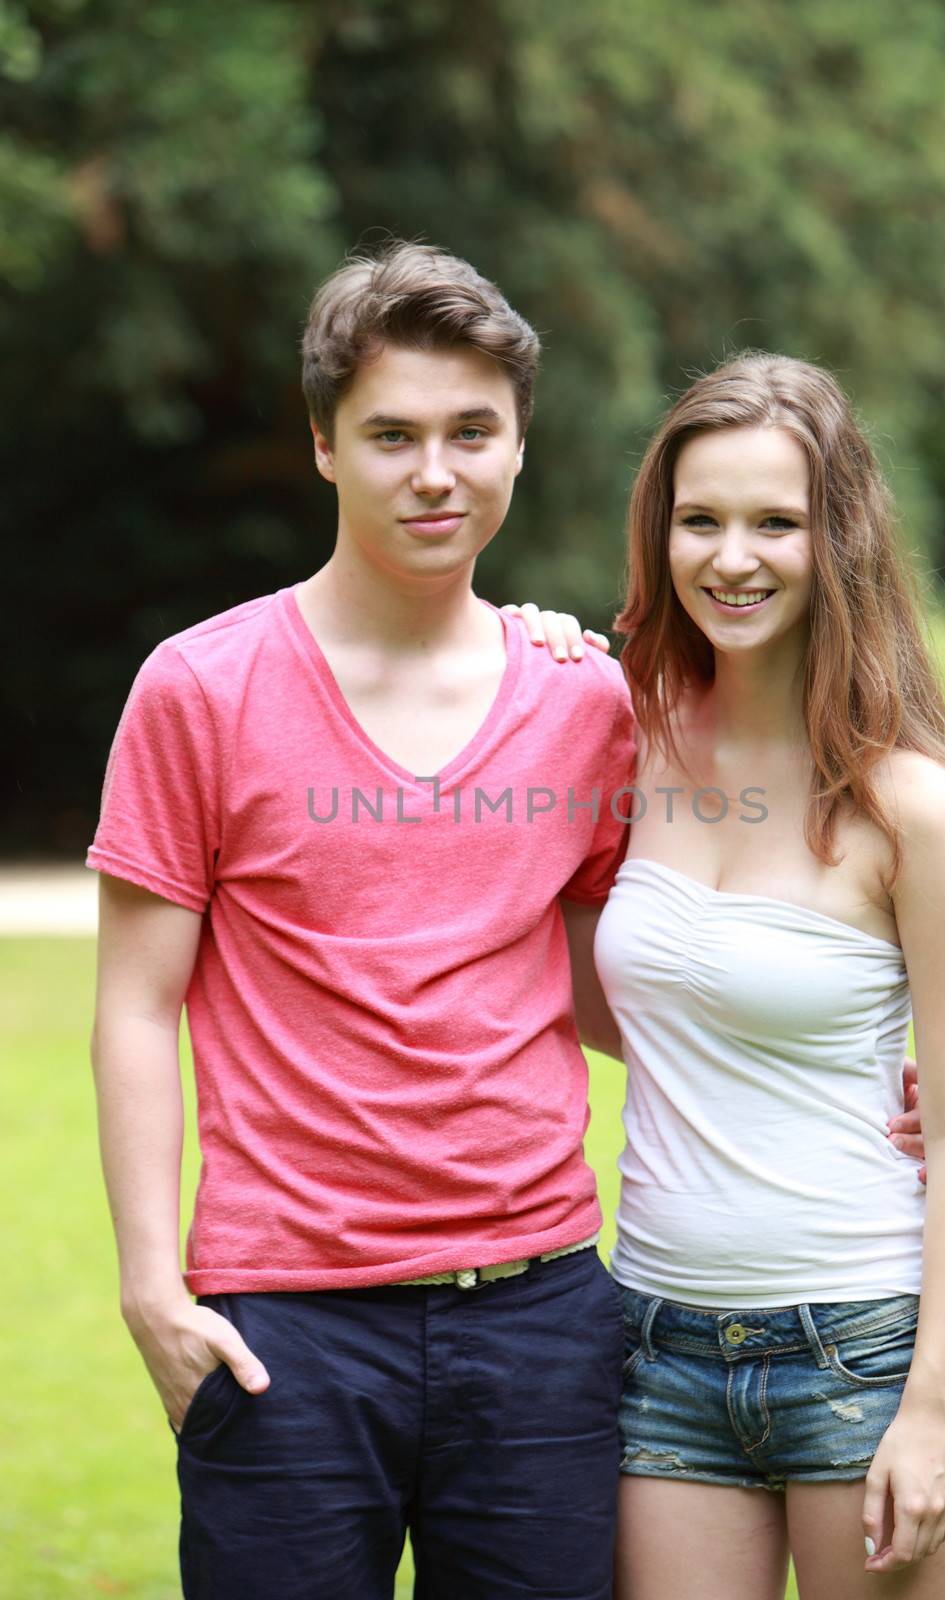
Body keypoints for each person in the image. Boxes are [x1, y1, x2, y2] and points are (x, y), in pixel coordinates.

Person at [86, 241, 639, 1600]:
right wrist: (155, 1289)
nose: (434, 473)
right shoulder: (199, 689)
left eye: (470, 433)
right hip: (283, 1327)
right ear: (324, 445)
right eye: (391, 435)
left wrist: (845, 1082)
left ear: (519, 446)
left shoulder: (584, 700)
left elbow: (609, 981)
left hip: (541, 1318)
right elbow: (135, 1004)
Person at [511, 352, 945, 1600]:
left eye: (773, 521)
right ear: (660, 532)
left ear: (834, 538)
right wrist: (520, 654)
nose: (730, 556)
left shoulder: (913, 809)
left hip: (862, 1347)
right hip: (658, 1343)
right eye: (700, 520)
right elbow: (589, 990)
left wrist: (926, 1406)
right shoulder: (625, 735)